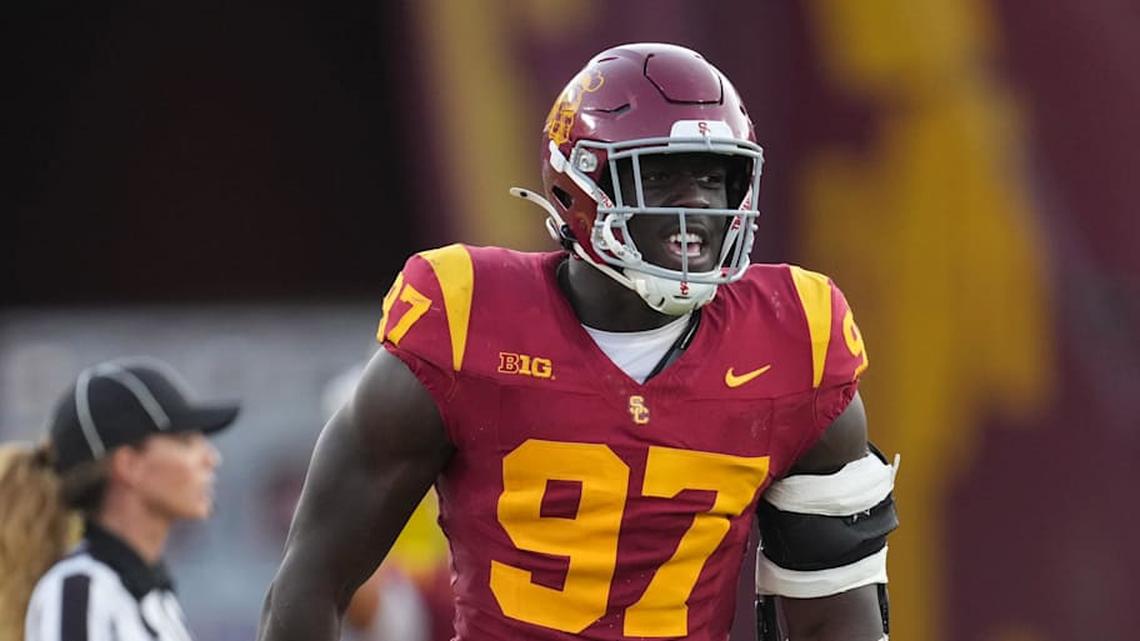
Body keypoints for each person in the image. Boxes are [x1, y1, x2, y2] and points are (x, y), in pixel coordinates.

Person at [258, 42, 898, 641]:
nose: (695, 208)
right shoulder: (465, 319)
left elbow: (838, 617)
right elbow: (311, 582)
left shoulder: (795, 340)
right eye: (661, 178)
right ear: (575, 188)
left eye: (713, 179)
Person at [0, 356, 239, 641]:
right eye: (185, 442)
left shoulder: (152, 597)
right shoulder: (81, 590)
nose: (210, 458)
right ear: (129, 465)